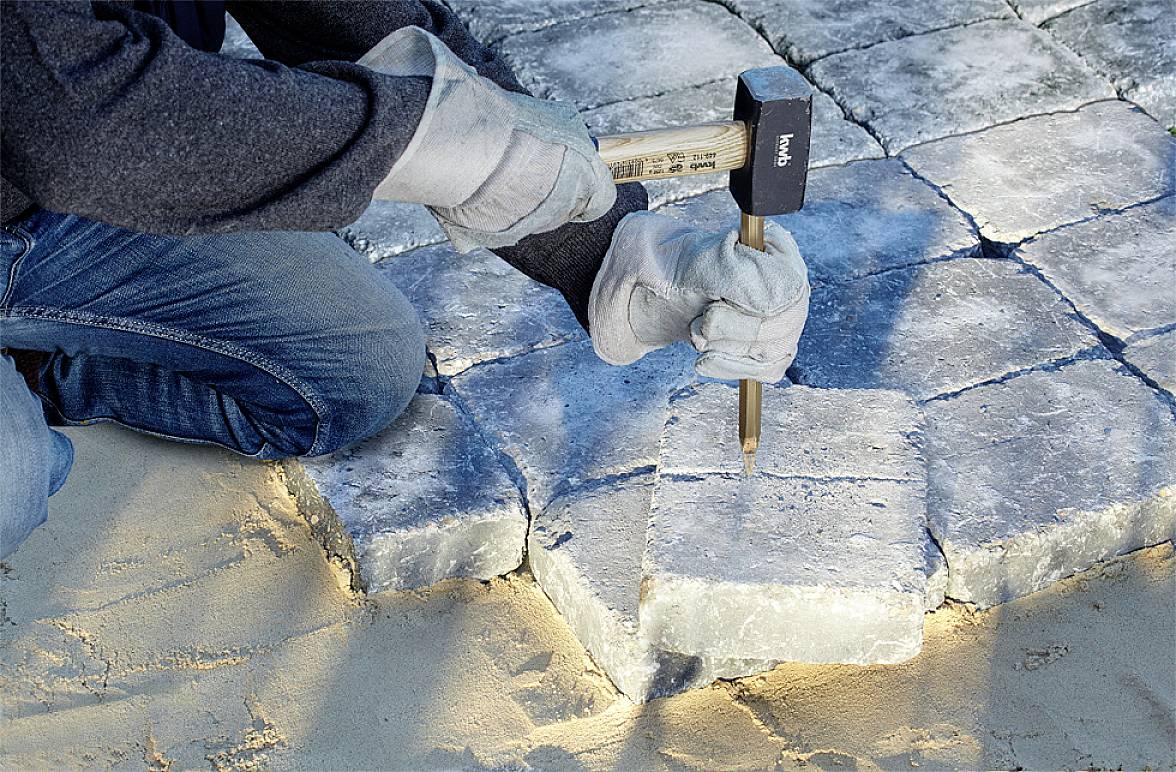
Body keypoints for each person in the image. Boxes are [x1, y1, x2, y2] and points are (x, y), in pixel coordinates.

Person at [0, 0, 810, 559]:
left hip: (79, 206)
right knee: (10, 480)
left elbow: (343, 12)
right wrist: (429, 146)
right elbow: (69, 108)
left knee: (361, 369)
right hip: (75, 147)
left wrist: (616, 253)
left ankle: (38, 364)